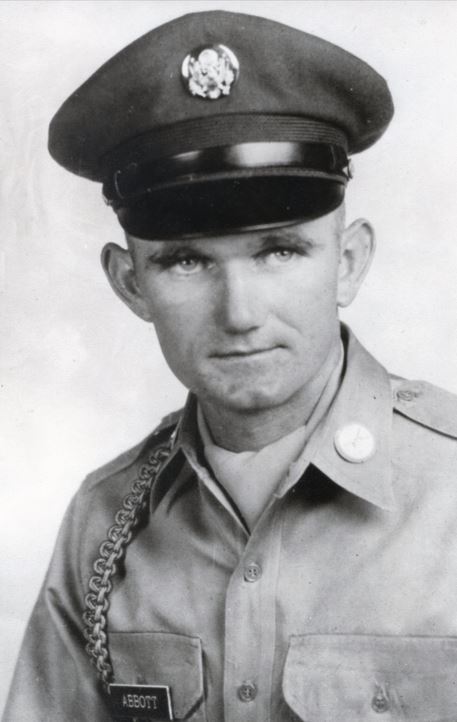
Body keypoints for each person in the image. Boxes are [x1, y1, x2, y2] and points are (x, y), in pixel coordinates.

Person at [3, 9, 457, 722]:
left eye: (279, 250)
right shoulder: (105, 520)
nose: (239, 312)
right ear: (130, 285)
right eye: (186, 261)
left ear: (347, 262)